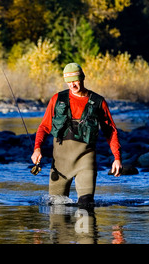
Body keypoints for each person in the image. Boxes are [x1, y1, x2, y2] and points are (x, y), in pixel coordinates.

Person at [31, 63, 122, 209]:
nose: (72, 85)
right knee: (56, 211)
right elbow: (44, 126)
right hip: (60, 164)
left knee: (86, 209)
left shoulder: (98, 102)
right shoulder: (57, 99)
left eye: (75, 80)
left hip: (85, 162)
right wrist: (37, 148)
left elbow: (110, 131)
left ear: (82, 78)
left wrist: (117, 158)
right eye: (68, 81)